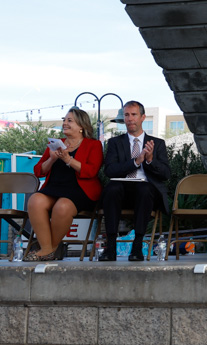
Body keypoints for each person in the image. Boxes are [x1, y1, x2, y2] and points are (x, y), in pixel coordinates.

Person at [24, 108, 104, 261]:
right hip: (54, 188)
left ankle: (48, 250)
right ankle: (48, 249)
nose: (65, 123)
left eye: (69, 121)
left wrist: (68, 160)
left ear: (81, 126)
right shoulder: (55, 143)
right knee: (35, 200)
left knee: (62, 206)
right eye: (64, 120)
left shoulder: (93, 145)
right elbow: (39, 171)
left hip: (79, 190)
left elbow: (91, 171)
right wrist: (52, 158)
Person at [98, 101, 171, 262]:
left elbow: (166, 174)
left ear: (143, 117)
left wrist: (150, 160)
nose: (130, 119)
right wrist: (136, 162)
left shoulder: (157, 143)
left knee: (144, 189)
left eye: (134, 114)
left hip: (145, 192)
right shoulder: (115, 143)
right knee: (112, 188)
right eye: (126, 115)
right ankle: (110, 247)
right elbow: (109, 170)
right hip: (121, 190)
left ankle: (137, 247)